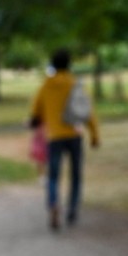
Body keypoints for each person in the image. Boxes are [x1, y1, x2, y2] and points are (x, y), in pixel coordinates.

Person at [29, 49, 100, 231]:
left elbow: (36, 112)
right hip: (75, 134)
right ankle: (72, 209)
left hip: (54, 136)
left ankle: (53, 204)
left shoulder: (46, 85)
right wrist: (94, 135)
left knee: (53, 175)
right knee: (75, 174)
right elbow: (88, 111)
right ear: (69, 64)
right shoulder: (75, 84)